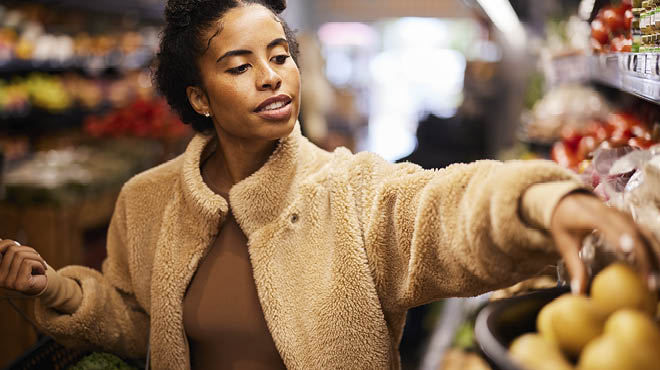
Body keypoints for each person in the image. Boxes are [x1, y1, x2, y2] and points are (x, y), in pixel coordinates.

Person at [0, 1, 658, 369]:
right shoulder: (145, 202)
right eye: (240, 64)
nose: (272, 77)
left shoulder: (350, 191)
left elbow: (441, 207)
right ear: (198, 96)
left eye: (279, 55)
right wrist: (59, 290)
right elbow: (139, 323)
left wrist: (541, 199)